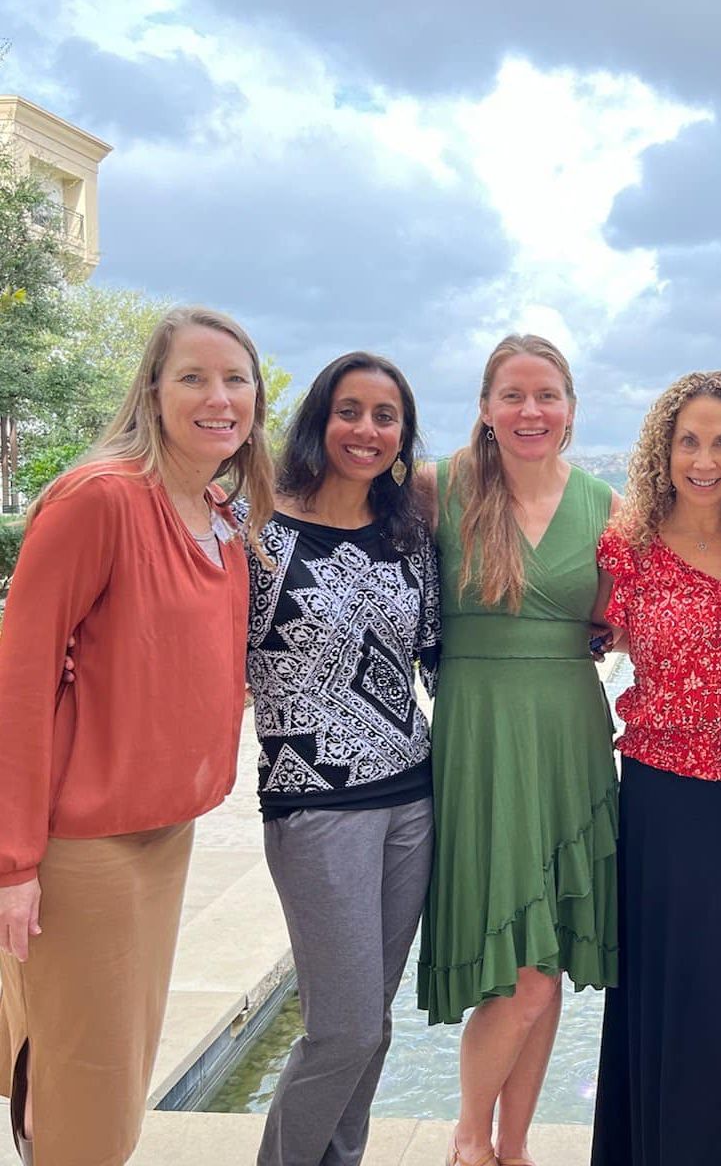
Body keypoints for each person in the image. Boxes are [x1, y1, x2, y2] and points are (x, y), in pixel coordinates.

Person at [0, 306, 273, 1166]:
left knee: (95, 1061)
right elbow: (19, 680)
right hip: (87, 840)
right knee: (100, 1092)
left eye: (235, 379)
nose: (218, 397)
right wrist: (14, 864)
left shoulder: (218, 511)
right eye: (193, 377)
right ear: (153, 392)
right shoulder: (101, 499)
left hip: (163, 831)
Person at [415, 334, 619, 1166]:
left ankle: (516, 1144)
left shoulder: (607, 505)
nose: (530, 411)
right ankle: (470, 1139)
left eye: (547, 395)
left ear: (570, 408)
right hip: (482, 736)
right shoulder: (438, 487)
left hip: (570, 736)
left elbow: (619, 620)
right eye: (513, 395)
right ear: (487, 407)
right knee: (520, 969)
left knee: (550, 957)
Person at [590, 371, 721, 1166]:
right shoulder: (627, 548)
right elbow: (579, 637)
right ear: (663, 450)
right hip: (659, 804)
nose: (704, 460)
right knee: (659, 991)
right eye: (689, 442)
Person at [242, 352, 439, 1166]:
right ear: (319, 420)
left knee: (373, 1025)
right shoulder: (255, 529)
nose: (366, 429)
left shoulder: (409, 537)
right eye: (349, 411)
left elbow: (438, 655)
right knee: (343, 1028)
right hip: (315, 806)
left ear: (402, 436)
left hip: (414, 798)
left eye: (385, 416)